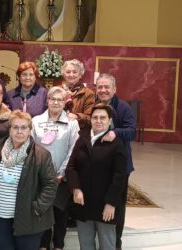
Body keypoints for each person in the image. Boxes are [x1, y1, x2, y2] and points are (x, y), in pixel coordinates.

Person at [0, 110, 58, 250]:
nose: (19, 131)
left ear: (30, 130)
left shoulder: (41, 155)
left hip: (28, 218)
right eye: (15, 127)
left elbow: (50, 185)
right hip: (0, 215)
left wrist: (37, 208)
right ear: (9, 129)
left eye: (24, 127)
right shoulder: (0, 148)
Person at [65, 103, 127, 250]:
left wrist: (111, 203)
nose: (98, 120)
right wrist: (75, 188)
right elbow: (71, 167)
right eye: (95, 117)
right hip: (83, 203)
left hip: (105, 206)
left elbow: (119, 177)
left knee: (107, 245)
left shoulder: (116, 144)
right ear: (90, 119)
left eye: (103, 118)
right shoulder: (82, 139)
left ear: (110, 121)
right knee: (86, 245)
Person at [32, 86, 79, 250]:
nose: (56, 102)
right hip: (40, 176)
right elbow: (30, 147)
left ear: (65, 102)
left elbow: (74, 149)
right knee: (43, 212)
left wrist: (62, 172)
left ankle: (59, 245)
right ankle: (43, 245)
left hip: (61, 177)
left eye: (60, 99)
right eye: (53, 99)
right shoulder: (36, 121)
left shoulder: (72, 123)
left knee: (60, 213)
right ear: (47, 101)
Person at [95, 73, 136, 250]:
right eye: (100, 87)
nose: (103, 90)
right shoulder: (95, 107)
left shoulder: (123, 107)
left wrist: (115, 133)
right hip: (98, 166)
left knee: (116, 204)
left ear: (114, 89)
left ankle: (116, 241)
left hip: (119, 166)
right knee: (100, 200)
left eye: (106, 87)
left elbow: (132, 131)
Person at [61, 59, 95, 129]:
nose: (71, 74)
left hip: (79, 132)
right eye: (68, 72)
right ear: (63, 74)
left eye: (75, 72)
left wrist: (77, 116)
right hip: (59, 130)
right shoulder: (57, 90)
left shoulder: (88, 93)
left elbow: (90, 118)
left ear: (80, 75)